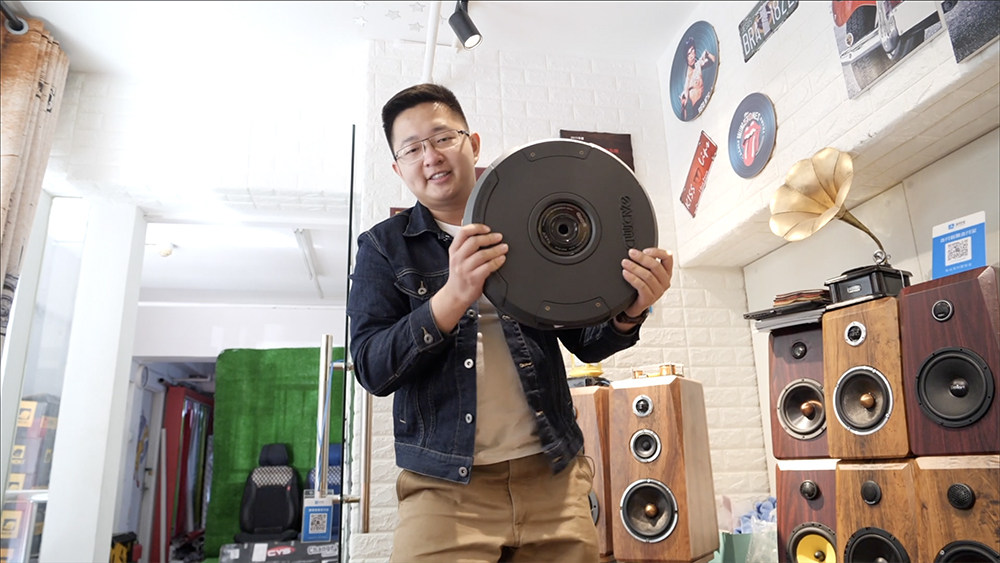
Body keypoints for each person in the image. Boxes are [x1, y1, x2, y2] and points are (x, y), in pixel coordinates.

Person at [346, 83, 674, 562]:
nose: (431, 157)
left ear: (473, 144)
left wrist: (630, 310)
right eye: (412, 149)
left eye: (443, 138)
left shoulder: (533, 219)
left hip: (553, 477)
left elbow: (586, 342)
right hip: (443, 490)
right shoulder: (382, 247)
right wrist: (452, 297)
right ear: (399, 168)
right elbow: (372, 367)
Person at [679, 36, 717, 120]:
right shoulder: (687, 80)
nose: (692, 56)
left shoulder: (698, 65)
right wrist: (683, 106)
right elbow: (683, 116)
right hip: (697, 109)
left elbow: (714, 60)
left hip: (705, 102)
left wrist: (707, 53)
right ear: (686, 57)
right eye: (689, 54)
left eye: (693, 51)